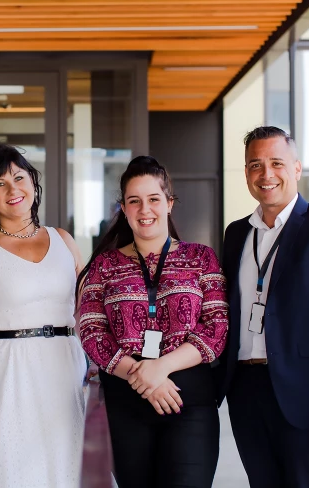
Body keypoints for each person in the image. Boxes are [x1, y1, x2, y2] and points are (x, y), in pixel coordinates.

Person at [217, 126, 309, 487]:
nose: (266, 174)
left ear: (296, 168)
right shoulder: (237, 234)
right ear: (246, 173)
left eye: (276, 163)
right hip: (246, 391)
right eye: (255, 165)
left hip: (306, 396)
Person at [78, 155, 228, 488]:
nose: (145, 209)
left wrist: (161, 368)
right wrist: (141, 374)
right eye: (135, 201)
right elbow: (91, 332)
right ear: (124, 208)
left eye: (154, 199)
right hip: (125, 401)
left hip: (189, 402)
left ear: (169, 203)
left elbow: (216, 328)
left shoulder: (201, 258)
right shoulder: (103, 266)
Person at [0, 144, 88, 488]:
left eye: (18, 177)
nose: (13, 189)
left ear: (33, 182)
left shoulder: (63, 240)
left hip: (62, 371)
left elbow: (90, 310)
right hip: (1, 376)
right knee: (5, 469)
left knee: (62, 467)